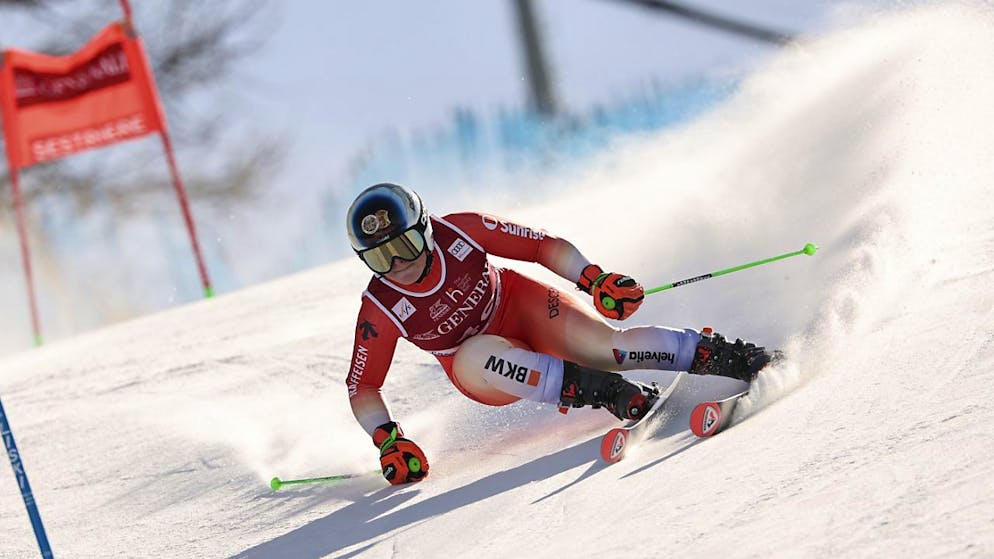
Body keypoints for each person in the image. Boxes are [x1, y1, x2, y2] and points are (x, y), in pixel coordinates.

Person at [345, 183, 773, 485]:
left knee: (608, 348)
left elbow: (540, 245)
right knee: (475, 354)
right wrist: (389, 441)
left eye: (403, 245)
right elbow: (362, 386)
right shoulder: (380, 308)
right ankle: (609, 392)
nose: (397, 264)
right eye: (380, 257)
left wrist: (593, 278)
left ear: (424, 229)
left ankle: (731, 357)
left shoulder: (461, 230)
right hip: (482, 368)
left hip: (520, 305)